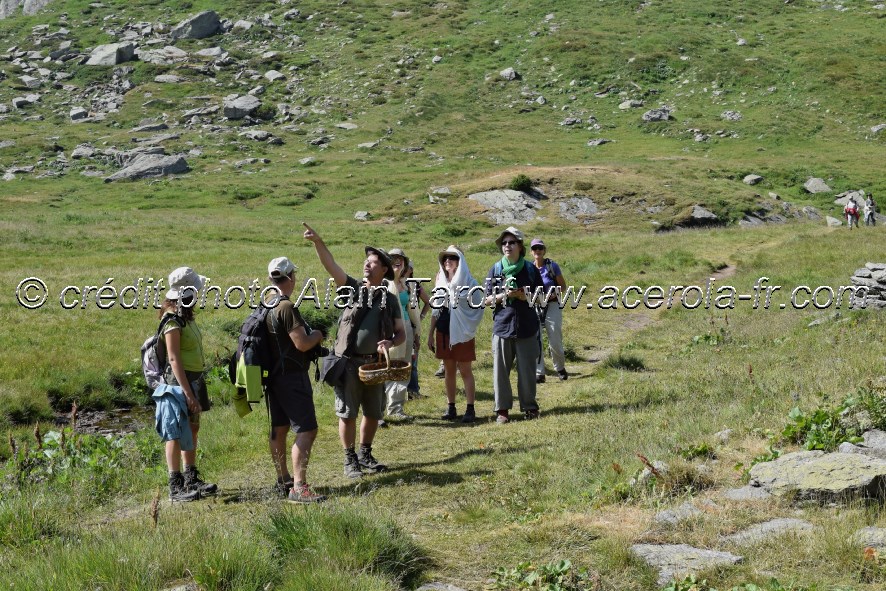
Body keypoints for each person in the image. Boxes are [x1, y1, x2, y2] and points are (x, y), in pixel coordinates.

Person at [303, 223, 405, 478]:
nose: (367, 265)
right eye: (366, 261)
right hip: (348, 364)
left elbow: (401, 332)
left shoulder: (390, 299)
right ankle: (349, 460)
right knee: (347, 414)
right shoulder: (352, 289)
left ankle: (365, 454)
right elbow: (331, 266)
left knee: (373, 413)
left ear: (384, 270)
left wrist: (390, 343)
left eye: (373, 263)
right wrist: (318, 242)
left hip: (375, 365)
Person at [265, 256, 327, 503]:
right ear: (290, 277)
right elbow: (301, 343)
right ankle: (299, 488)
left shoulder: (266, 304)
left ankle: (283, 480)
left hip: (273, 378)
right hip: (291, 378)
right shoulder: (286, 307)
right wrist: (318, 336)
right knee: (307, 430)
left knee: (279, 429)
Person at [157, 266, 217, 501]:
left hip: (193, 379)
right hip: (178, 382)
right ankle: (175, 486)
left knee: (192, 428)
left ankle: (191, 478)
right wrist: (187, 393)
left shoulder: (185, 316)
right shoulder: (171, 320)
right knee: (175, 432)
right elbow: (173, 359)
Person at [483, 227, 543, 423]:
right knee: (500, 372)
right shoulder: (495, 269)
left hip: (526, 326)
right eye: (504, 243)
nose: (507, 246)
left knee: (526, 371)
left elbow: (541, 298)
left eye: (511, 242)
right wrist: (504, 296)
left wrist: (523, 296)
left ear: (520, 246)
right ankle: (502, 410)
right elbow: (486, 300)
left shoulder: (530, 269)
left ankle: (530, 407)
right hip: (502, 326)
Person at [428, 245, 484, 423]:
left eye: (452, 258)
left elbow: (477, 307)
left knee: (465, 370)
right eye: (445, 258)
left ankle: (470, 408)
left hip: (462, 333)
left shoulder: (470, 283)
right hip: (444, 331)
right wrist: (430, 333)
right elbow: (436, 309)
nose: (447, 261)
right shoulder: (440, 283)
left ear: (460, 261)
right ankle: (451, 407)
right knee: (449, 370)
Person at [383, 248, 421, 420]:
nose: (397, 261)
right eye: (393, 258)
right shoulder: (385, 283)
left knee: (404, 367)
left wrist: (417, 331)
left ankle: (396, 409)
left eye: (401, 259)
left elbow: (412, 309)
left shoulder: (406, 284)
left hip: (407, 327)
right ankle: (386, 409)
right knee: (390, 367)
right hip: (391, 329)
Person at [530, 238, 568, 383]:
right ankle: (540, 373)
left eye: (540, 248)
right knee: (536, 340)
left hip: (552, 304)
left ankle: (560, 368)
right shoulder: (529, 268)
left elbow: (563, 286)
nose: (537, 251)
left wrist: (552, 295)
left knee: (555, 339)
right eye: (535, 248)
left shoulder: (552, 266)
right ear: (531, 252)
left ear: (544, 250)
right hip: (534, 305)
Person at [405, 261, 431, 399]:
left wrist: (421, 317)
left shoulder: (416, 285)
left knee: (413, 360)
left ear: (411, 270)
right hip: (399, 326)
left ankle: (413, 391)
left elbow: (428, 301)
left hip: (413, 327)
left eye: (408, 267)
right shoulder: (395, 283)